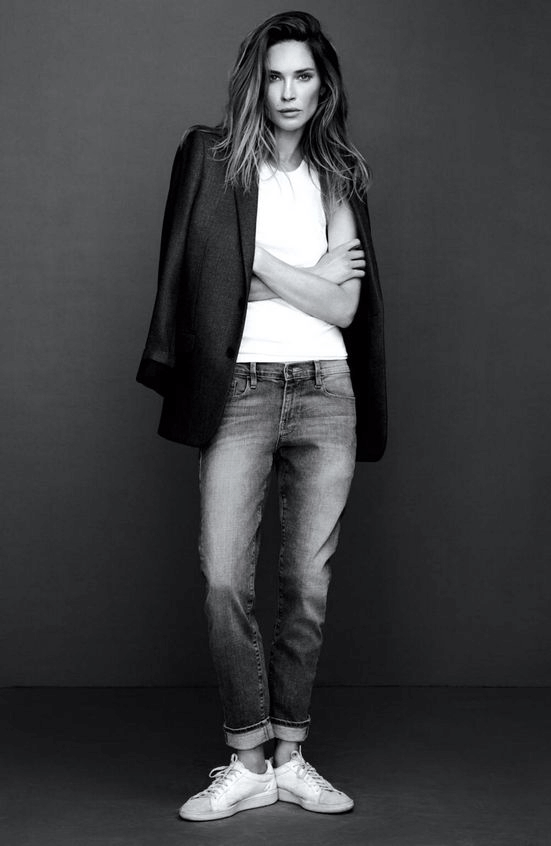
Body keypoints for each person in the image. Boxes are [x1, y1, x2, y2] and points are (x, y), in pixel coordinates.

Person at [137, 10, 386, 822]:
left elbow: (344, 309)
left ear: (322, 86)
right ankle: (246, 760)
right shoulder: (212, 161)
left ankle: (290, 756)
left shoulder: (340, 173)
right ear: (256, 82)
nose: (288, 92)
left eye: (302, 76)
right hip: (237, 389)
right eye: (275, 76)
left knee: (306, 584)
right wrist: (301, 268)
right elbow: (201, 279)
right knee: (223, 578)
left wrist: (253, 267)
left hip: (326, 391)